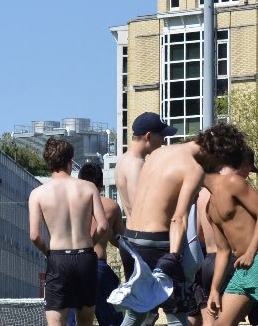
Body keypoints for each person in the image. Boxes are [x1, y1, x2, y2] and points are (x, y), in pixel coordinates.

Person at [121, 124, 248, 326]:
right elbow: (179, 218)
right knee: (176, 314)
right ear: (217, 154)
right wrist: (172, 257)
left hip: (130, 241)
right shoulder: (193, 169)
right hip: (158, 244)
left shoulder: (159, 152)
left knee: (136, 312)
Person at [205, 145, 258, 326]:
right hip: (241, 268)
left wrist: (251, 252)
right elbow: (222, 250)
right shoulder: (210, 206)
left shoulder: (233, 182)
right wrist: (214, 289)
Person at [29, 138, 109, 326]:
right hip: (85, 257)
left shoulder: (38, 193)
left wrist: (47, 252)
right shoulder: (88, 187)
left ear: (48, 163)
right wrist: (89, 241)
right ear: (70, 161)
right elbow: (103, 226)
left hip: (58, 257)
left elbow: (34, 236)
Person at [115, 112, 176, 277]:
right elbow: (140, 206)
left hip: (130, 238)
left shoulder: (124, 159)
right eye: (161, 136)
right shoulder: (137, 164)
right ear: (148, 136)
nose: (164, 141)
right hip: (142, 242)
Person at [79, 163, 126, 326]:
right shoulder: (110, 206)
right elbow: (121, 240)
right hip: (97, 267)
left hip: (72, 265)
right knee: (112, 321)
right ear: (100, 184)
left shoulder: (70, 204)